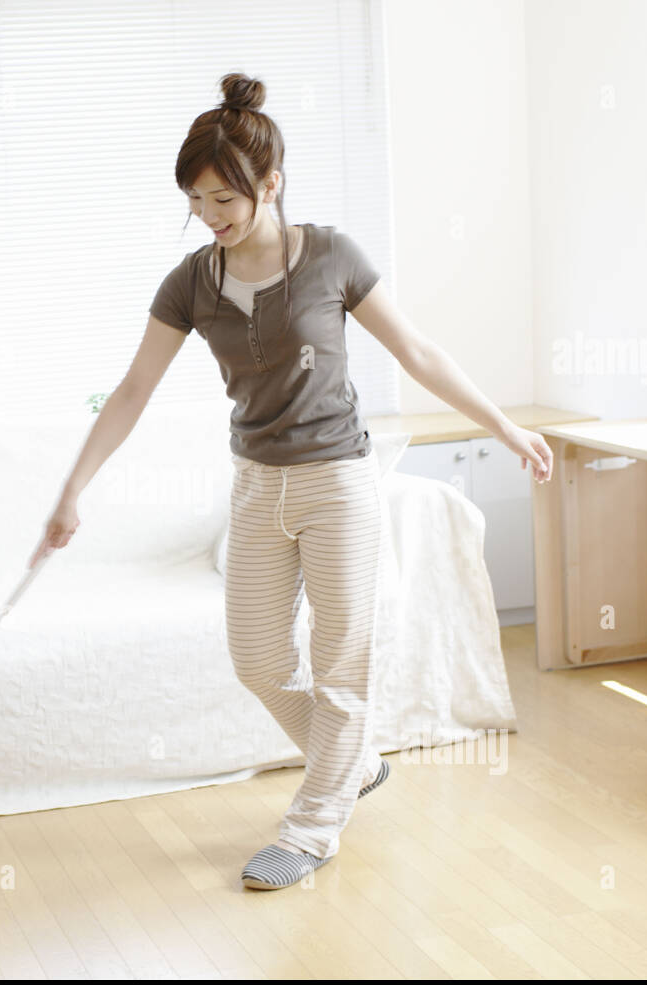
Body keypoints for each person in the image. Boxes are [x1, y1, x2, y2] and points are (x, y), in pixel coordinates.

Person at [30, 72, 553, 891]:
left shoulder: (332, 257)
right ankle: (349, 765)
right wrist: (72, 493)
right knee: (258, 660)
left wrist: (506, 427)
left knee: (341, 663)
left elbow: (418, 353)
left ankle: (312, 830)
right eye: (196, 202)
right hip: (255, 484)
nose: (210, 218)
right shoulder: (192, 283)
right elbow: (132, 390)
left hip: (338, 482)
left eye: (223, 200)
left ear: (270, 184)